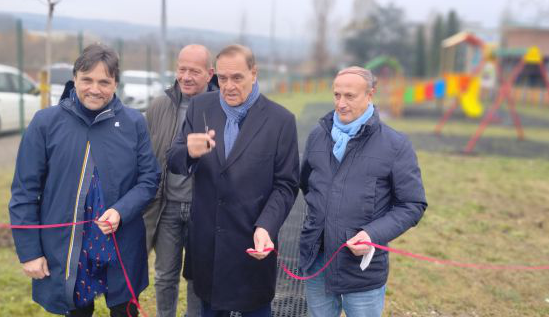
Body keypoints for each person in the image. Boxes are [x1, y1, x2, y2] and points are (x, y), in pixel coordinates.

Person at [9, 44, 160, 316]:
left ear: (115, 83)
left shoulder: (134, 122)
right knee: (77, 310)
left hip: (120, 242)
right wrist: (29, 251)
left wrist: (121, 211)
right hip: (68, 247)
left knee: (124, 309)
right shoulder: (46, 122)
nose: (95, 88)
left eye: (104, 82)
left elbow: (149, 179)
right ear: (75, 77)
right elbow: (24, 191)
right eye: (87, 79)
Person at [166, 44, 299, 317]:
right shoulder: (201, 107)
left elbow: (285, 185)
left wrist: (266, 226)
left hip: (252, 245)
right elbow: (174, 160)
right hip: (208, 249)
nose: (228, 86)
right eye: (222, 79)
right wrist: (188, 152)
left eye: (237, 78)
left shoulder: (280, 121)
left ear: (254, 73)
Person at [299, 66, 427, 317]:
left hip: (362, 269)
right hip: (316, 261)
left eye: (350, 96)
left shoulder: (395, 145)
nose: (341, 103)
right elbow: (308, 185)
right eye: (337, 95)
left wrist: (372, 234)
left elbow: (412, 204)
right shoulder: (317, 137)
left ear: (370, 95)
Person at [143, 44, 218, 317]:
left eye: (194, 71)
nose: (186, 76)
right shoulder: (159, 106)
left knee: (197, 278)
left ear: (210, 74)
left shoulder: (222, 107)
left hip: (203, 209)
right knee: (165, 275)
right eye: (182, 69)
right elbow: (149, 156)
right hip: (168, 206)